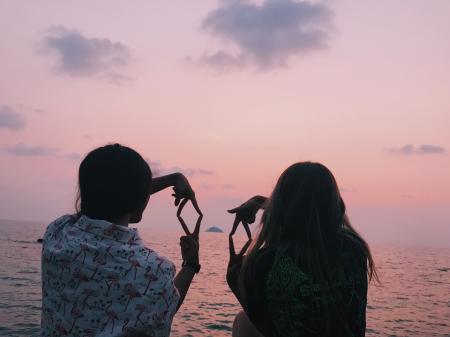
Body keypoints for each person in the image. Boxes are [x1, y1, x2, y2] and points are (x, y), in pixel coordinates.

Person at [40, 144, 202, 337]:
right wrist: (190, 264)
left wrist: (171, 179)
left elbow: (106, 190)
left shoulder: (56, 234)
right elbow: (164, 309)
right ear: (141, 199)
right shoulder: (154, 270)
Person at [227, 162, 378, 337]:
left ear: (280, 205)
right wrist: (261, 202)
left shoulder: (266, 262)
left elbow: (266, 326)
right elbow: (320, 211)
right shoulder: (355, 249)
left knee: (243, 321)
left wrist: (235, 280)